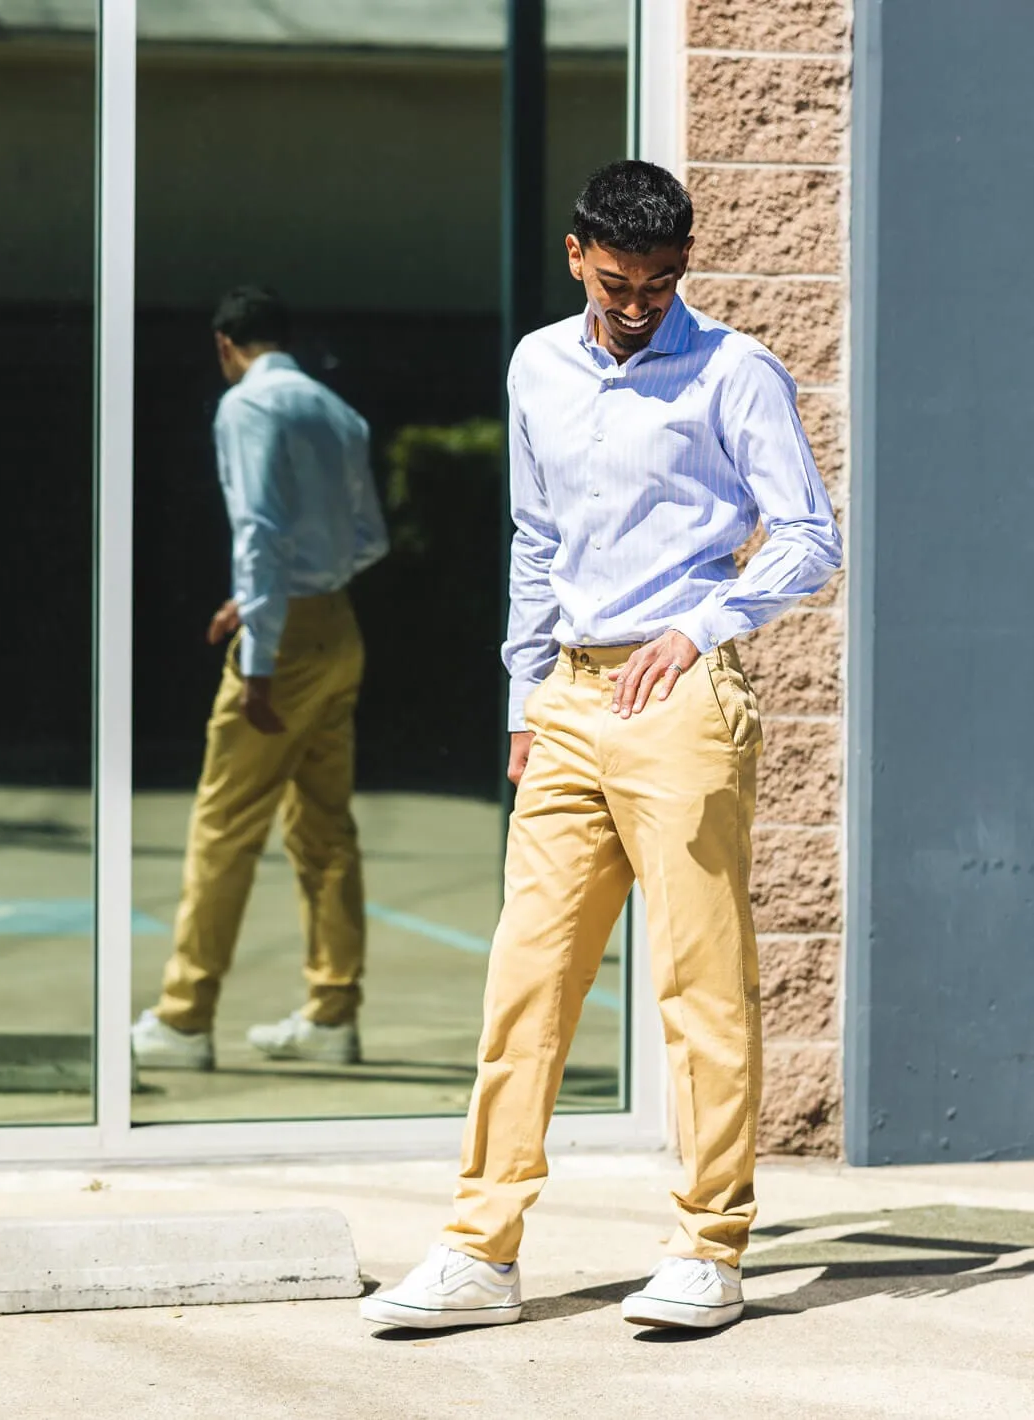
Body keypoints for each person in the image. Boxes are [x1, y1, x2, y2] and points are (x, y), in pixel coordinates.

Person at [361, 161, 841, 1333]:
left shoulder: (733, 371)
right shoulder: (537, 364)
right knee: (527, 978)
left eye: (664, 283)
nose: (642, 305)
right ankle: (481, 1249)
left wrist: (698, 626)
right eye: (622, 282)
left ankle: (710, 1245)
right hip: (570, 702)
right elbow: (536, 536)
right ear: (579, 254)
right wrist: (525, 702)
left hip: (681, 699)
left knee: (698, 984)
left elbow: (811, 537)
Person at [133, 286, 388, 1071]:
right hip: (338, 624)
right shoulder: (339, 413)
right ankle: (332, 1014)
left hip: (285, 640)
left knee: (224, 825)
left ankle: (183, 1019)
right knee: (324, 831)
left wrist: (261, 648)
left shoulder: (247, 407)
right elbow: (369, 537)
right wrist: (272, 597)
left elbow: (259, 529)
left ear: (224, 345)